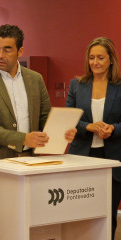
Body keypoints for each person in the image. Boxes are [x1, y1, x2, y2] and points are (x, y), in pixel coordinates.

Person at [0, 24, 76, 240]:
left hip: (30, 162)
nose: (0, 55)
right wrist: (24, 138)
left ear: (20, 51)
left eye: (7, 49)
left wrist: (62, 130)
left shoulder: (34, 79)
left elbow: (46, 117)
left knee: (27, 223)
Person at [65, 37, 121, 240]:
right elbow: (68, 118)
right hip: (83, 156)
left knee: (108, 213)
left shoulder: (119, 85)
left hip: (113, 159)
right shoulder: (77, 85)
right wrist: (87, 126)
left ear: (111, 60)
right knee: (81, 211)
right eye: (91, 58)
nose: (95, 62)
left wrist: (113, 129)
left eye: (100, 58)